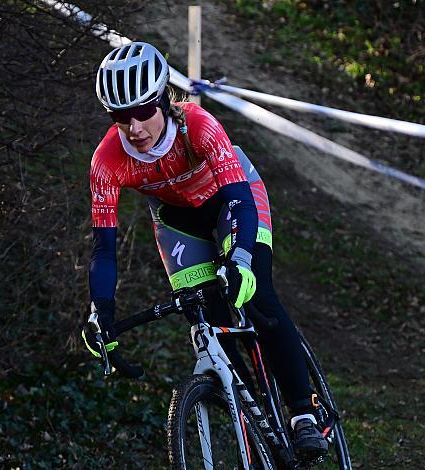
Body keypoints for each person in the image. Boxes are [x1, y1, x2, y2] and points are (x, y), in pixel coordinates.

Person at [84, 41, 328, 460]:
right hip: (179, 221)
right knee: (205, 318)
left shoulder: (197, 125)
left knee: (257, 297)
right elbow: (103, 249)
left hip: (233, 201)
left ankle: (303, 415)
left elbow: (238, 199)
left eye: (144, 110)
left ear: (162, 100)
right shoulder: (107, 160)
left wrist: (241, 260)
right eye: (120, 117)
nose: (135, 127)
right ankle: (253, 419)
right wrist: (100, 312)